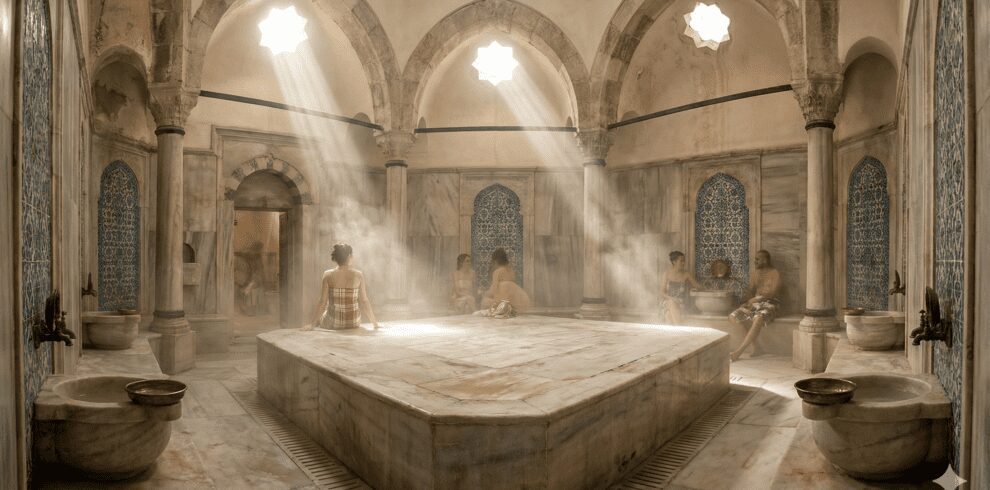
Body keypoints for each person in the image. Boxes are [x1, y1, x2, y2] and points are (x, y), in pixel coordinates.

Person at [307, 243, 380, 330]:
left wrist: (312, 325)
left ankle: (314, 324)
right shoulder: (358, 275)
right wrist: (375, 324)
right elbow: (364, 301)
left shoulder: (327, 274)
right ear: (349, 256)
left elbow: (322, 301)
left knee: (320, 320)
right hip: (353, 322)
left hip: (333, 322)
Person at [728, 250, 781, 361]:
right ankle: (756, 347)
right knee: (733, 316)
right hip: (755, 303)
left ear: (765, 260)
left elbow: (773, 293)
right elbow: (750, 291)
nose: (755, 261)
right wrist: (746, 301)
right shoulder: (755, 273)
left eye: (757, 259)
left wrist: (757, 299)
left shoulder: (774, 273)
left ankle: (739, 351)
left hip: (771, 303)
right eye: (755, 259)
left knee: (758, 317)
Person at [479, 247, 530, 314]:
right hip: (515, 298)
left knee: (485, 301)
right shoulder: (511, 271)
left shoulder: (497, 272)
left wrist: (496, 302)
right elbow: (512, 284)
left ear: (495, 261)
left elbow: (495, 290)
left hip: (503, 298)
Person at [660, 251, 702, 324]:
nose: (683, 263)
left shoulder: (686, 274)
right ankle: (679, 327)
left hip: (680, 302)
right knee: (671, 303)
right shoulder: (667, 274)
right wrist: (672, 299)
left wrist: (698, 288)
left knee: (668, 315)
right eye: (681, 261)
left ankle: (675, 330)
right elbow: (662, 292)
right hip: (667, 301)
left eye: (684, 261)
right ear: (674, 262)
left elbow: (698, 286)